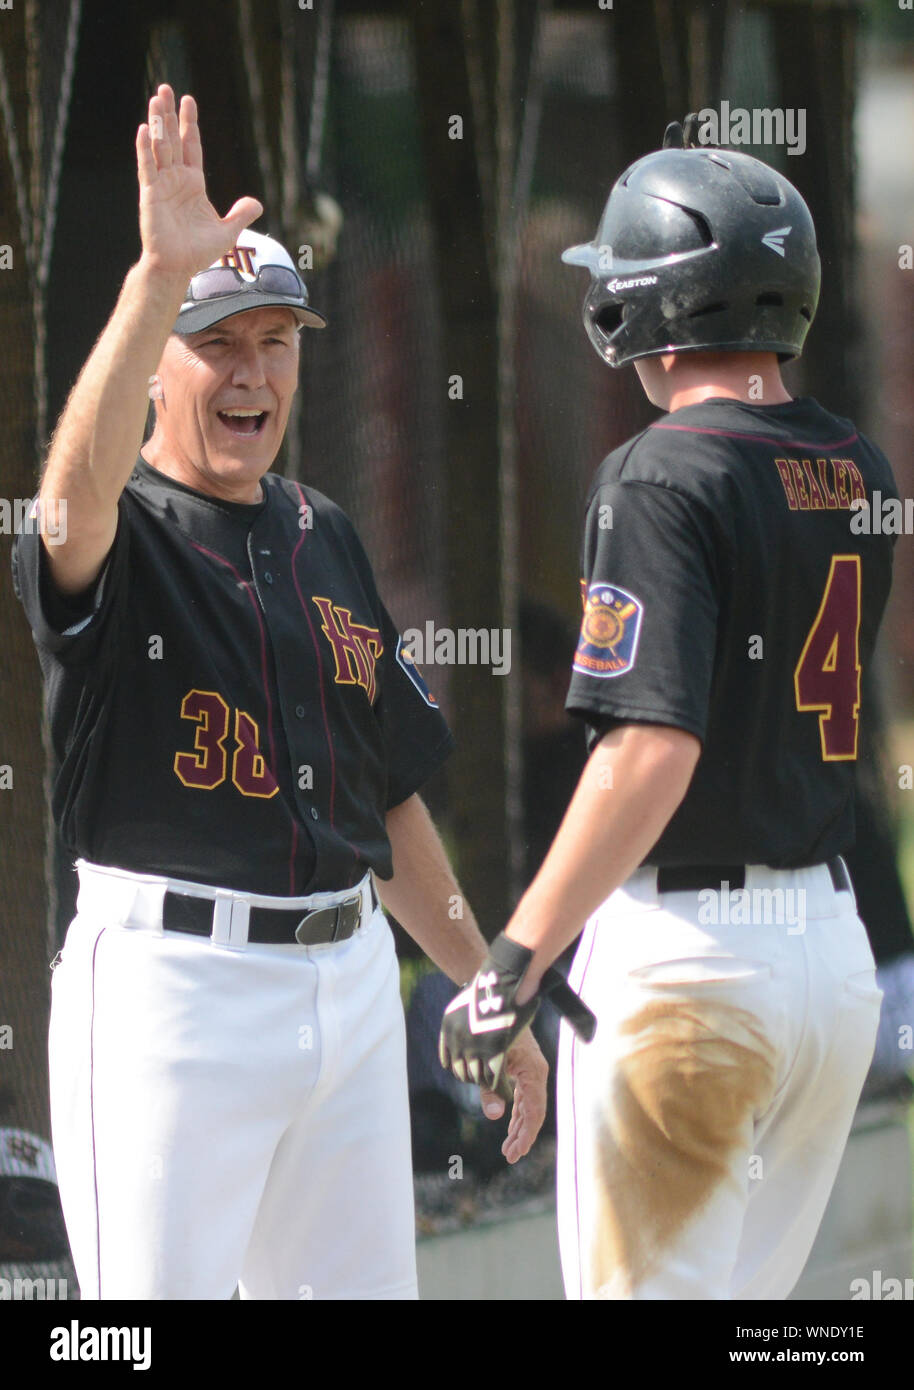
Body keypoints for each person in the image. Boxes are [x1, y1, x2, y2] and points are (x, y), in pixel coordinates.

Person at [12, 83, 546, 1301]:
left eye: (277, 339)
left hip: (350, 984)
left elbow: (386, 796)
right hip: (173, 995)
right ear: (157, 367)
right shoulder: (124, 533)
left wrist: (482, 987)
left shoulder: (324, 533)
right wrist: (157, 281)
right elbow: (64, 513)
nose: (251, 372)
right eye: (216, 343)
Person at [440, 117, 899, 1300]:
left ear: (658, 301)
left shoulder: (659, 468)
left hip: (692, 968)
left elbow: (649, 748)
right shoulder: (855, 466)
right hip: (829, 964)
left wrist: (514, 960)